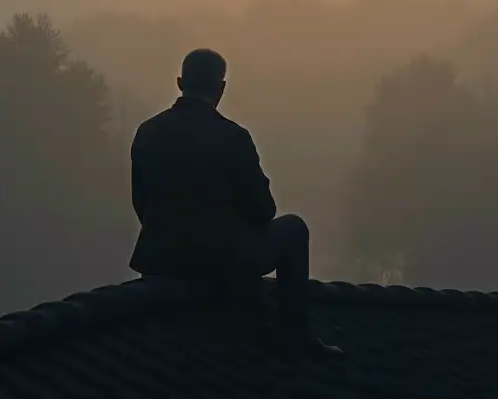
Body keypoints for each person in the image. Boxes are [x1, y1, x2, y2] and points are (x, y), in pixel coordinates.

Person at [129, 48, 342, 357]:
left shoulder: (147, 132)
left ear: (180, 82)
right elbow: (264, 210)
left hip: (159, 259)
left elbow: (141, 203)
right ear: (221, 88)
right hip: (220, 263)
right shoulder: (233, 137)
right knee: (294, 229)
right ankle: (297, 337)